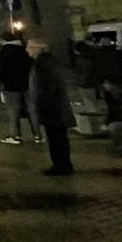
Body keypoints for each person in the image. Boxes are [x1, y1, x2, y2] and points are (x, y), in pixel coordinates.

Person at [28, 39, 74, 176]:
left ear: (37, 49)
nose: (27, 50)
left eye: (30, 47)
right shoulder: (49, 62)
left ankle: (60, 166)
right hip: (55, 107)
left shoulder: (43, 64)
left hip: (52, 108)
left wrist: (42, 102)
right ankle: (64, 164)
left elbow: (47, 87)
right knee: (59, 137)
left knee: (56, 138)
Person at [0, 32, 39, 144]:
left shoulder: (3, 52)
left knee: (13, 111)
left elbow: (1, 70)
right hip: (27, 84)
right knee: (32, 110)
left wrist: (1, 82)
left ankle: (16, 136)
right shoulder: (23, 50)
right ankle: (37, 135)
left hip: (11, 86)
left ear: (2, 40)